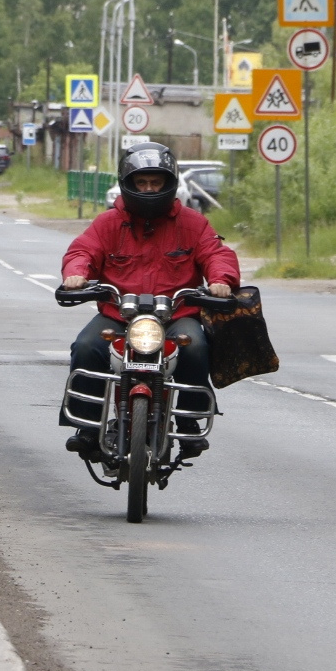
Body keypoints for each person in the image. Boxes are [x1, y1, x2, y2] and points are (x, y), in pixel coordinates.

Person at [60, 141, 240, 460]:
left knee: (196, 346)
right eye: (141, 182)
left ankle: (188, 424)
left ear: (169, 183)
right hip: (119, 314)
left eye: (155, 182)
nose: (148, 189)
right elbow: (82, 251)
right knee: (86, 346)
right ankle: (86, 426)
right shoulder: (107, 223)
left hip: (176, 314)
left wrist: (220, 281)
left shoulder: (193, 224)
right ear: (127, 183)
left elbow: (217, 254)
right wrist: (76, 274)